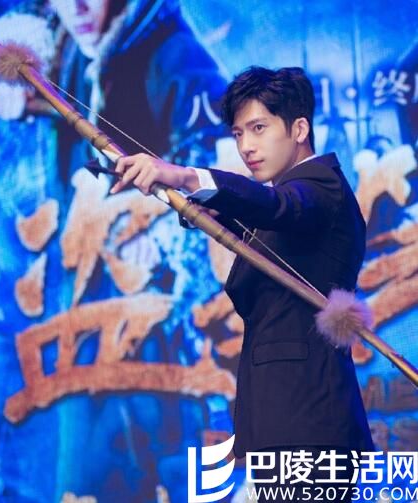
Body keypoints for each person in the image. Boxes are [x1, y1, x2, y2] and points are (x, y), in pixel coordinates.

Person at [111, 66, 375, 502]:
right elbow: (271, 224)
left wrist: (185, 177)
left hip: (308, 423)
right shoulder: (288, 201)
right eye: (238, 134)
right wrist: (214, 210)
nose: (246, 146)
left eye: (258, 128)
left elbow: (280, 208)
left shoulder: (321, 185)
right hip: (285, 421)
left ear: (299, 129)